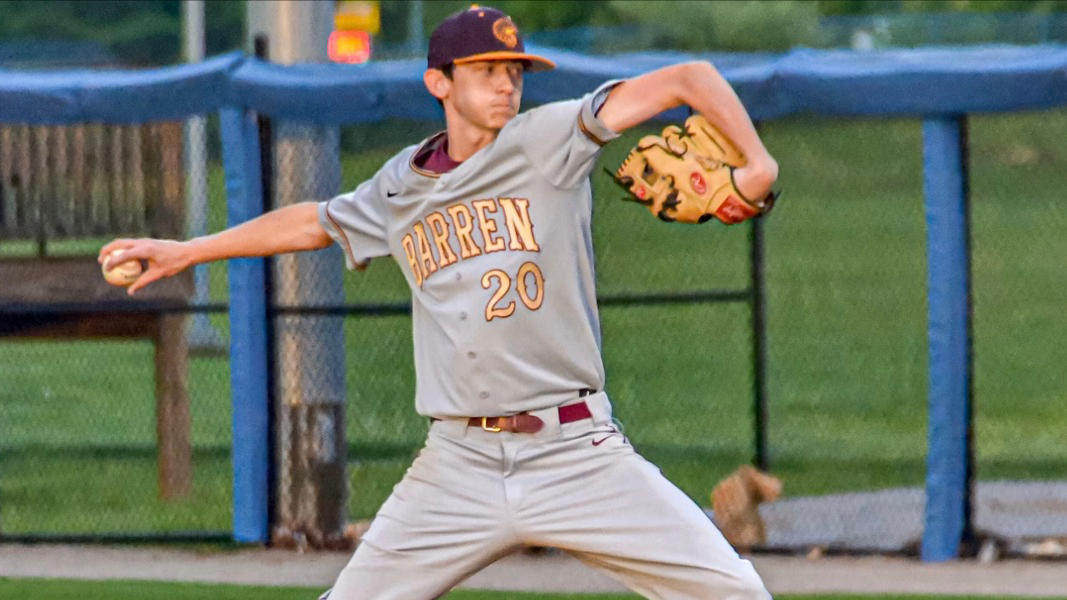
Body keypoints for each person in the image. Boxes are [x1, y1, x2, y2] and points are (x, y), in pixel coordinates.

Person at [100, 6, 778, 599]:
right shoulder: (402, 186)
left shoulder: (551, 139)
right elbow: (314, 222)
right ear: (439, 83)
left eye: (514, 71)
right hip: (459, 464)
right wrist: (189, 251)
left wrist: (757, 164)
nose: (507, 83)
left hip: (576, 451)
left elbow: (688, 78)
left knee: (734, 592)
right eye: (487, 70)